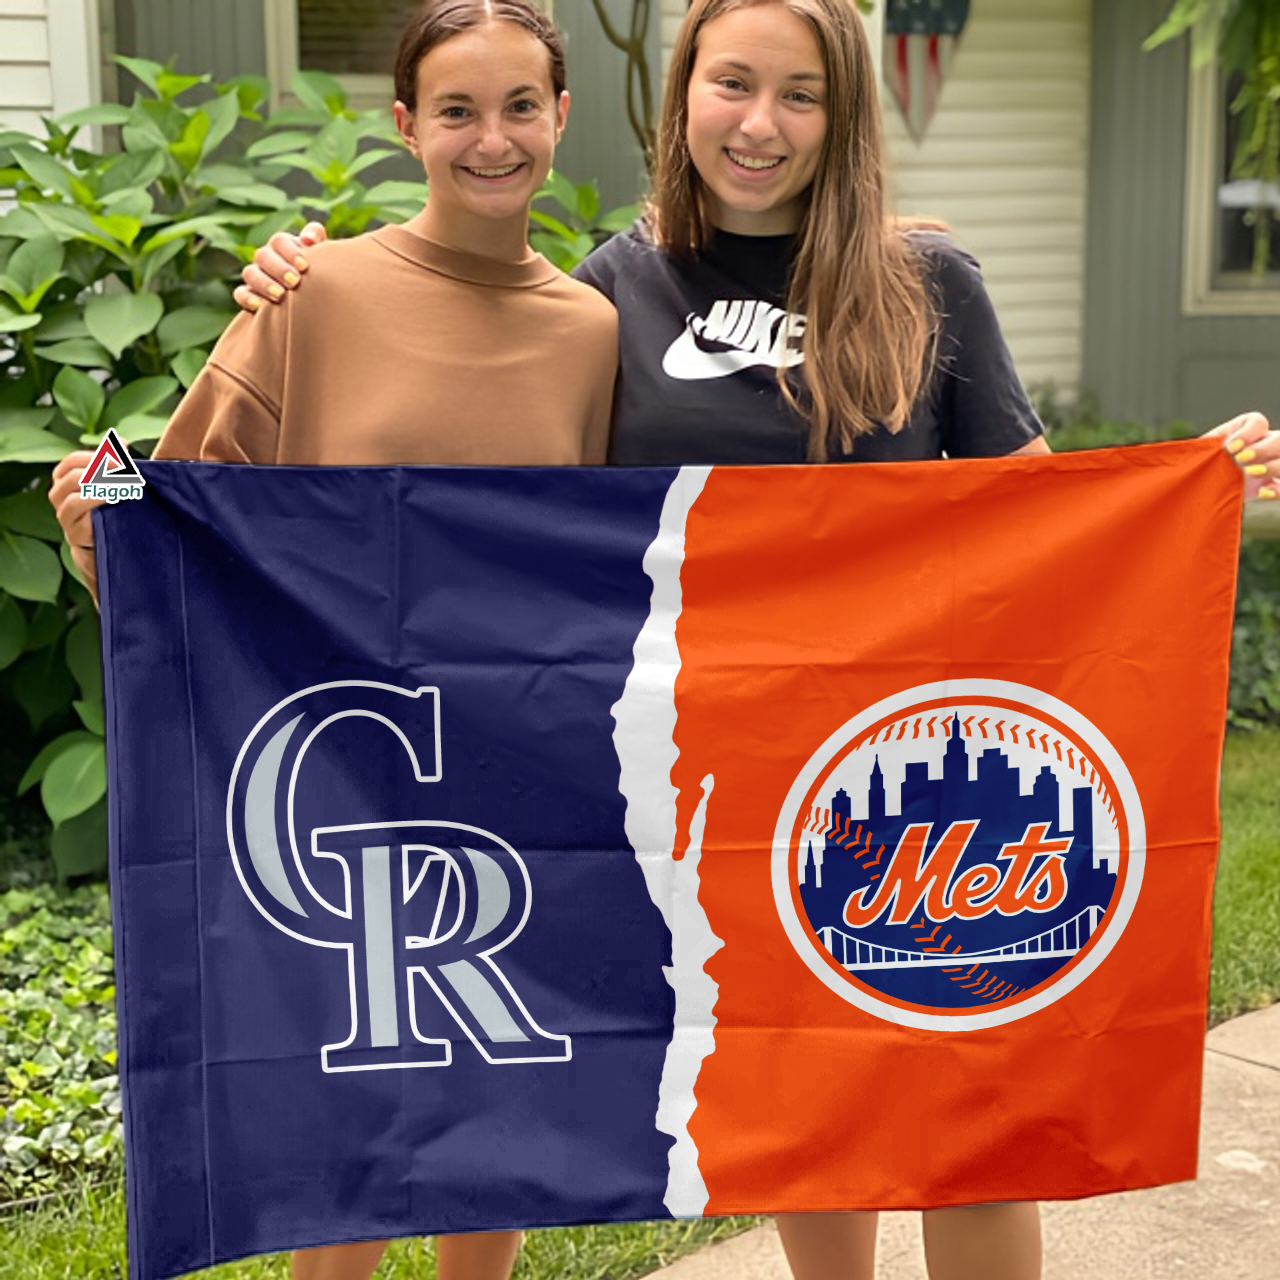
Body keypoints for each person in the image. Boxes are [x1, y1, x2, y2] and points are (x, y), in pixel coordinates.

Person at [231, 3, 1280, 1278]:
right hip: (730, 782)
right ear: (683, 97)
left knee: (966, 1115)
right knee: (811, 1107)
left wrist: (1179, 490)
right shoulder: (616, 289)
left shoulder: (924, 282)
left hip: (911, 756)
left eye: (800, 94)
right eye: (732, 84)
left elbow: (1035, 519)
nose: (760, 123)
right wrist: (301, 282)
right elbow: (526, 496)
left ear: (843, 118)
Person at [47, 4, 616, 1280]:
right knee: (347, 1108)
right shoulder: (318, 290)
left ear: (560, 118)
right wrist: (97, 537)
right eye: (456, 111)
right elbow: (177, 510)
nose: (491, 139)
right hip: (330, 780)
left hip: (513, 769)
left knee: (494, 1094)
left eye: (520, 107)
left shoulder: (591, 331)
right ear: (403, 123)